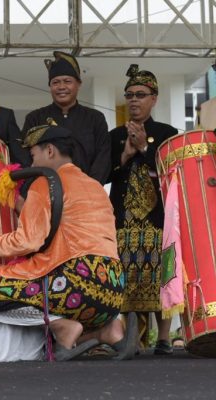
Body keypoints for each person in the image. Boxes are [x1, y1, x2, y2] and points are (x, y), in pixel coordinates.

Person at [0, 125, 138, 362]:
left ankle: (60, 325)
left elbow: (27, 241)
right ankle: (108, 330)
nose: (32, 160)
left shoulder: (45, 183)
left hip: (75, 284)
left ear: (49, 151)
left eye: (33, 153)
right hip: (112, 289)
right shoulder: (94, 186)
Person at [108, 65, 178, 355]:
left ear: (154, 99)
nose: (134, 100)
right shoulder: (114, 135)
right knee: (127, 278)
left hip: (158, 219)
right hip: (123, 219)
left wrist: (146, 151)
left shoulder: (167, 133)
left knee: (161, 274)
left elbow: (169, 172)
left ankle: (162, 339)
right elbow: (104, 174)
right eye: (130, 95)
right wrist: (125, 154)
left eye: (140, 94)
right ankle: (131, 340)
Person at [22, 51, 111, 185]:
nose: (61, 87)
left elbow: (103, 158)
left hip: (86, 194)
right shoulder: (35, 118)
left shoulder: (95, 118)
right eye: (56, 82)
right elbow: (26, 158)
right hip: (45, 192)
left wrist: (90, 188)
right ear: (50, 86)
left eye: (67, 81)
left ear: (79, 84)